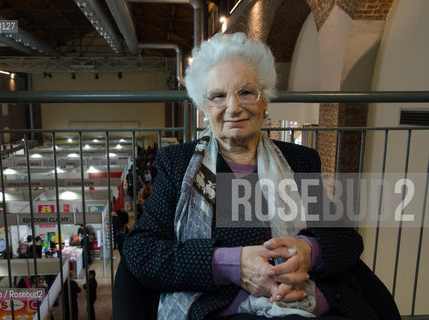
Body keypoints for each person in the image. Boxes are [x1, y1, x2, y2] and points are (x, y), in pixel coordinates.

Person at [123, 33, 398, 320]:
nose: (233, 107)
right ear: (204, 108)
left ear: (264, 100)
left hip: (307, 300)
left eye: (246, 92)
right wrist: (232, 264)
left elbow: (345, 240)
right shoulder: (178, 164)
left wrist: (309, 251)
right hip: (223, 307)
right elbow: (143, 250)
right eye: (218, 96)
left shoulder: (299, 161)